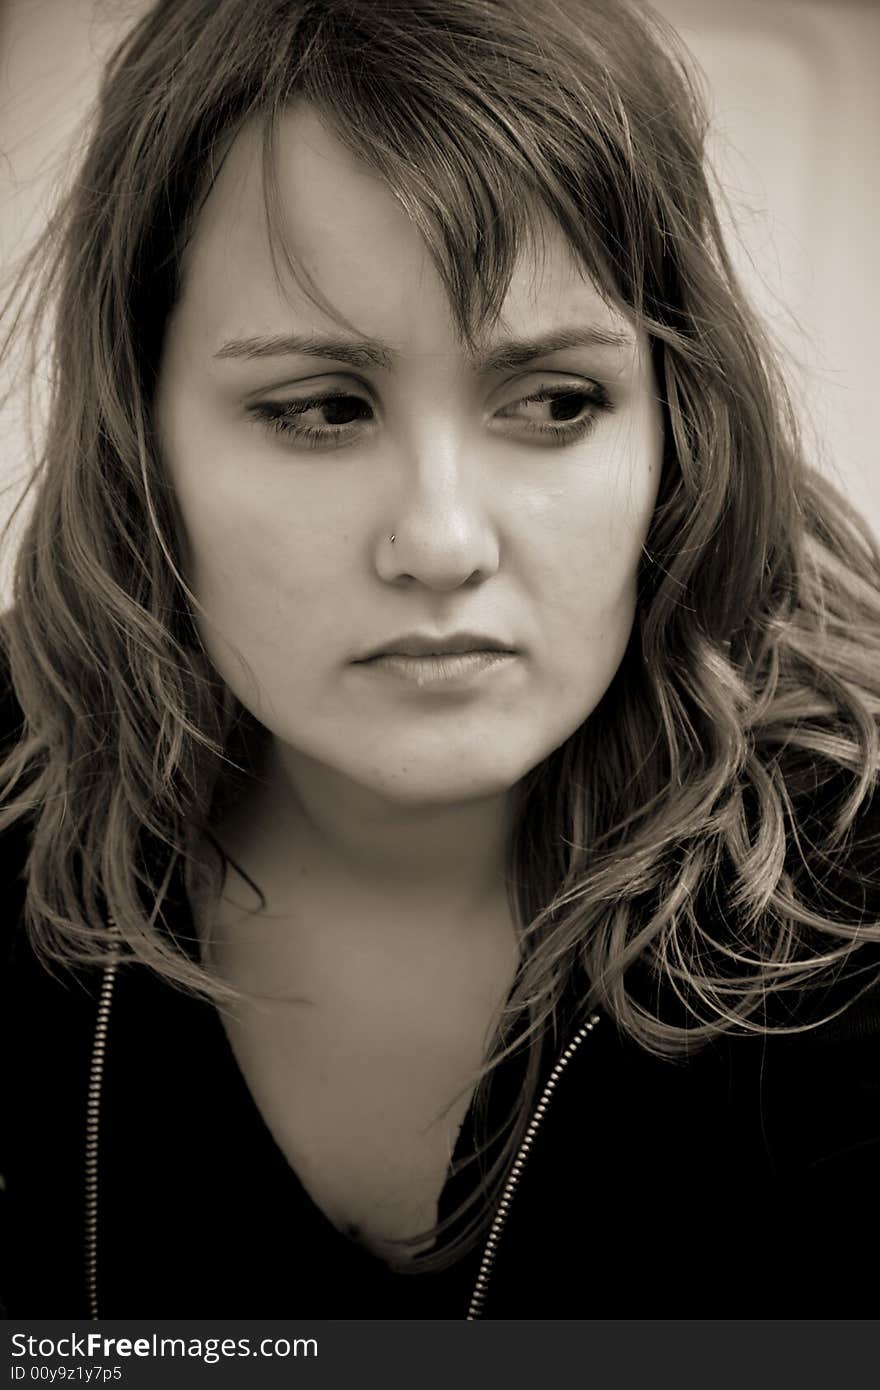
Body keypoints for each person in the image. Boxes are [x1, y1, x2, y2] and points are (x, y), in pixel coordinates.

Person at [1, 0, 878, 1321]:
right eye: (319, 409)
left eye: (554, 402)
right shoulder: (15, 795)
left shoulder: (852, 902)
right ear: (143, 437)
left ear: (675, 434)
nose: (441, 540)